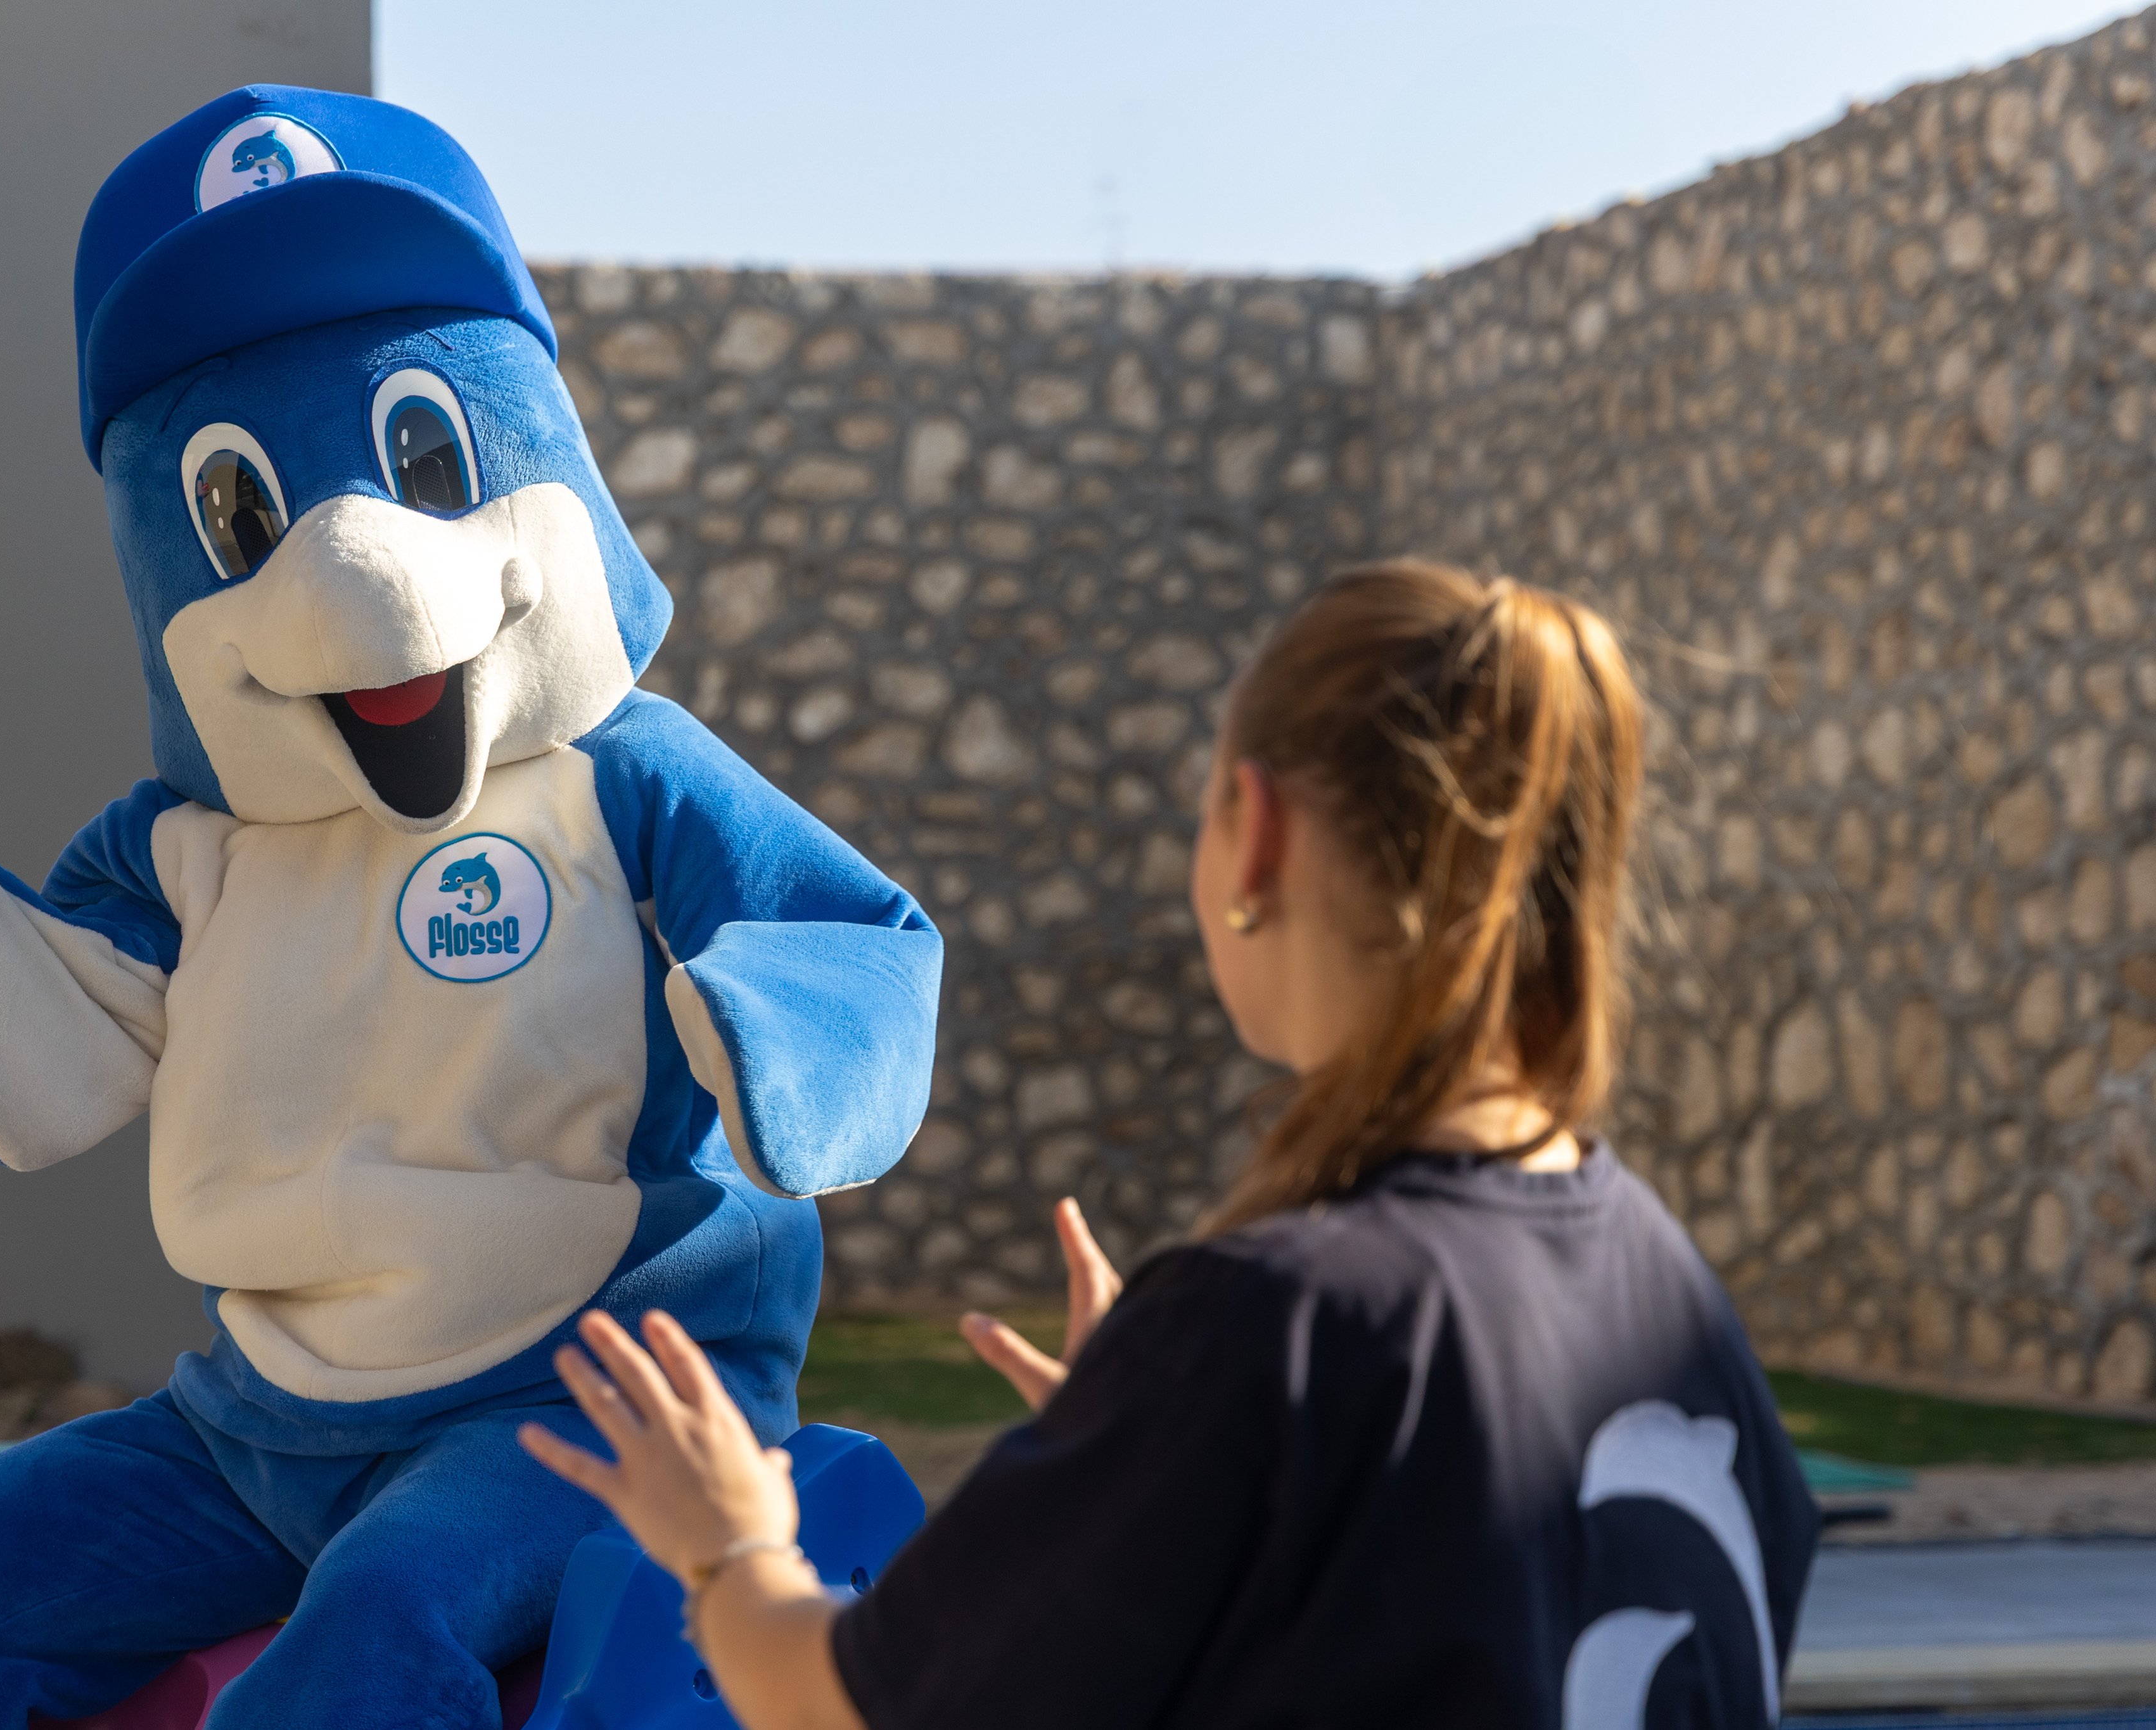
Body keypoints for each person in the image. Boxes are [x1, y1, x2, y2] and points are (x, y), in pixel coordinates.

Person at [520, 560, 1819, 1729]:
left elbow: (841, 1705)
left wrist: (725, 1546)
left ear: (1253, 830)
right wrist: (1145, 1456)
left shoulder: (1275, 1327)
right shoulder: (1675, 1302)